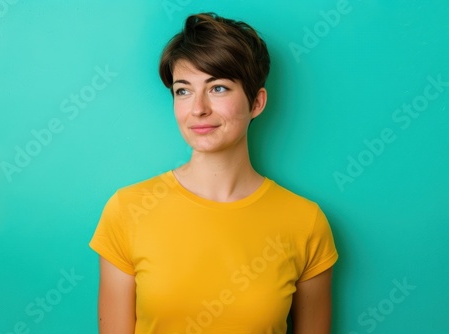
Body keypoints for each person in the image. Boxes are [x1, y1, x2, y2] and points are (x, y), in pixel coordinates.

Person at [89, 12, 338, 334]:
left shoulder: (305, 222)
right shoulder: (128, 210)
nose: (198, 108)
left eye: (218, 88)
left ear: (257, 102)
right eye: (183, 90)